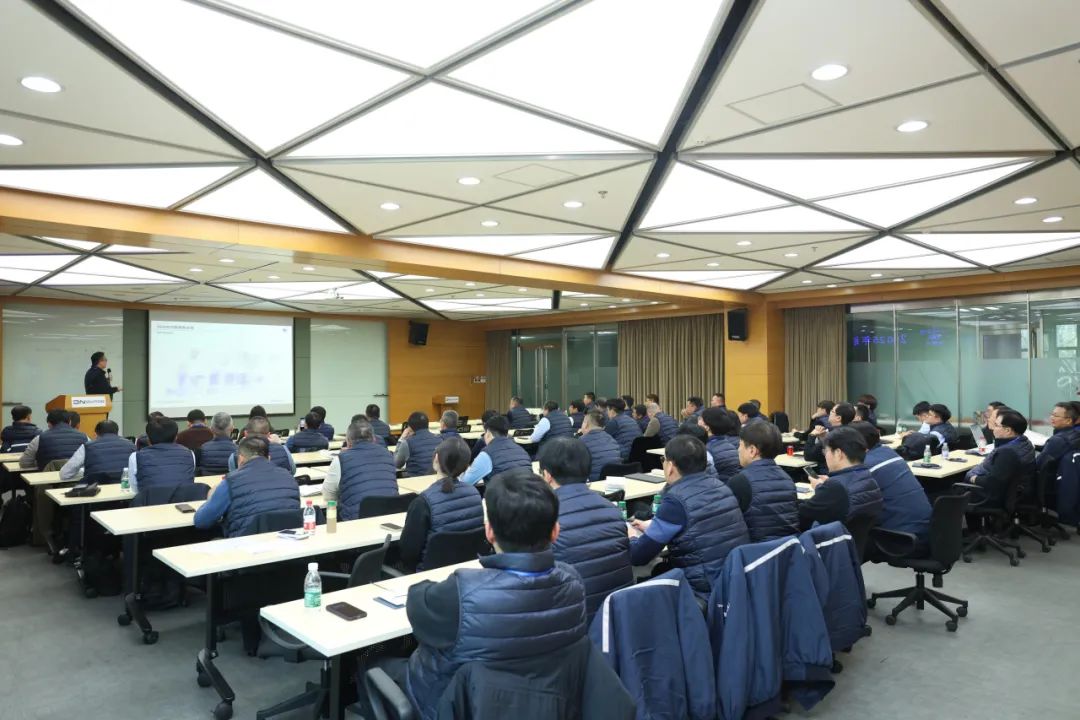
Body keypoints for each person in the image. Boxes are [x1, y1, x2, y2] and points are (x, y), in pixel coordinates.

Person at [400, 471, 587, 716]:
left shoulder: (463, 591)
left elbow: (416, 604)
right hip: (546, 706)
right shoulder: (573, 582)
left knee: (371, 664)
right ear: (555, 531)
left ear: (489, 532)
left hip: (454, 707)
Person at [628, 435, 749, 597]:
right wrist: (654, 526)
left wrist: (631, 536)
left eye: (663, 460)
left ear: (670, 466)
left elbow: (639, 556)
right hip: (734, 579)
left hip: (703, 589)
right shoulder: (721, 486)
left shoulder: (675, 500)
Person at [539, 437, 633, 622]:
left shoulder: (545, 517)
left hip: (573, 621)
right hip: (619, 618)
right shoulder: (613, 509)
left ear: (547, 475)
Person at [398, 437, 483, 573]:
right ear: (466, 466)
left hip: (427, 575)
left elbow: (408, 552)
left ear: (436, 458)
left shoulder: (423, 502)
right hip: (466, 571)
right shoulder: (475, 494)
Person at [193, 437, 300, 537]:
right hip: (286, 542)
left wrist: (211, 497)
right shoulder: (289, 477)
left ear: (240, 459)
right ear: (269, 458)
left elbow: (201, 521)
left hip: (245, 544)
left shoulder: (231, 482)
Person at [850, 422, 931, 548]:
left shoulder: (865, 465)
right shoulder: (889, 452)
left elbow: (849, 504)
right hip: (926, 530)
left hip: (900, 538)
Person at [798, 426, 883, 530]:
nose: (825, 456)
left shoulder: (835, 487)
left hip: (834, 538)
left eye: (826, 451)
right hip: (857, 538)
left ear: (838, 453)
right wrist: (824, 487)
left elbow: (803, 515)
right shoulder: (869, 478)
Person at [727, 421, 799, 542]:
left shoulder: (740, 481)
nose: (738, 450)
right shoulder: (787, 478)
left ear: (752, 450)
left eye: (740, 445)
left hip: (755, 550)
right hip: (788, 548)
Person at [323, 418, 398, 521]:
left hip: (356, 521)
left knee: (330, 515)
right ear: (374, 439)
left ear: (348, 441)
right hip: (391, 517)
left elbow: (328, 496)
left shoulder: (340, 460)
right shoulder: (388, 455)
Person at [968, 409, 1036, 514]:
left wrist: (973, 478)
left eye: (996, 425)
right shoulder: (1025, 442)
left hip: (997, 496)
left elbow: (993, 482)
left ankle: (971, 525)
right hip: (1016, 491)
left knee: (951, 491)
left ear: (1008, 430)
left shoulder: (1007, 452)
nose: (993, 427)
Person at [127, 417, 196, 492]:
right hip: (184, 498)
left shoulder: (135, 457)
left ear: (148, 439)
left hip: (151, 499)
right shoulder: (190, 454)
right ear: (176, 437)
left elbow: (135, 489)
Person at [461, 415, 532, 485]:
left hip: (501, 492)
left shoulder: (486, 454)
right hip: (527, 491)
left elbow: (465, 482)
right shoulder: (522, 451)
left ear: (488, 433)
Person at [60, 420, 135, 482]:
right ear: (117, 433)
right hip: (123, 488)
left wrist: (82, 471)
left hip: (95, 490)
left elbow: (65, 474)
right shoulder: (131, 445)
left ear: (96, 434)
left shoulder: (87, 447)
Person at [20, 409, 88, 471]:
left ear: (49, 424)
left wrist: (39, 463)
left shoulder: (40, 438)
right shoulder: (84, 437)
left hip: (48, 480)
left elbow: (24, 463)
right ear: (70, 422)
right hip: (78, 479)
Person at [1036, 401, 1080, 479]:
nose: (1052, 417)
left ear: (1069, 420)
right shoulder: (1074, 434)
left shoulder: (1060, 440)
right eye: (1052, 414)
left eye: (1056, 415)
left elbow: (1039, 463)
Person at [803, 402, 855, 467]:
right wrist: (823, 438)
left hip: (828, 470)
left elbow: (808, 456)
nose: (829, 413)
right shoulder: (852, 431)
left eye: (832, 411)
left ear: (838, 418)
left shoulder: (833, 435)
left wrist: (812, 435)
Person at [699, 406, 741, 482]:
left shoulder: (707, 450)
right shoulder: (731, 446)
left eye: (700, 419)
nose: (698, 421)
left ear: (707, 427)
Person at [579, 411, 622, 482]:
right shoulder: (612, 439)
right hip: (615, 481)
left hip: (594, 482)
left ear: (586, 425)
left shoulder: (581, 441)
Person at [396, 412, 442, 478]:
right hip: (436, 479)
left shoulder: (407, 443)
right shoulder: (439, 439)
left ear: (410, 428)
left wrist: (401, 439)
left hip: (415, 480)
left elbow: (396, 464)